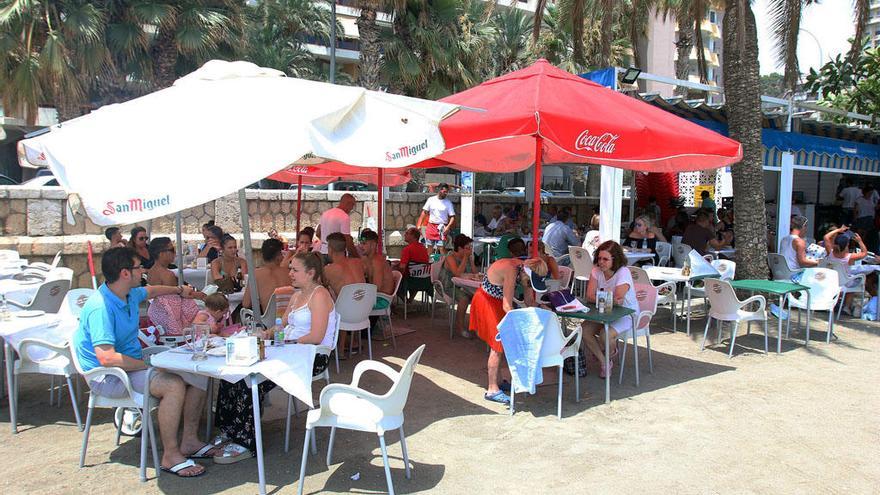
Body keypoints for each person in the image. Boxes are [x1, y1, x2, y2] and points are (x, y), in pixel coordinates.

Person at [73, 247, 215, 477]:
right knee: (173, 384)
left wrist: (180, 290)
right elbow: (106, 357)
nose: (144, 271)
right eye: (139, 267)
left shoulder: (128, 293)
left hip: (132, 364)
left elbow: (152, 291)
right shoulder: (101, 307)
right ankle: (170, 455)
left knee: (197, 373)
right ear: (125, 273)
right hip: (108, 375)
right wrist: (149, 365)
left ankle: (189, 441)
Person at [469, 237, 547, 404]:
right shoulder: (512, 270)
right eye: (529, 281)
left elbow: (529, 301)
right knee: (497, 345)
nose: (528, 283)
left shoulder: (525, 269)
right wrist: (518, 326)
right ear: (527, 272)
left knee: (503, 343)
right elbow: (507, 306)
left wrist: (541, 309)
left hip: (497, 302)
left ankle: (500, 380)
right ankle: (491, 389)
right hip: (486, 302)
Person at [579, 241, 639, 378]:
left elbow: (618, 299)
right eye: (599, 258)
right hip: (604, 312)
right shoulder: (596, 271)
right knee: (584, 330)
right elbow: (589, 296)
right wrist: (607, 299)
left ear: (615, 259)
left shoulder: (623, 272)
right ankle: (605, 361)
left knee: (604, 334)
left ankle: (607, 352)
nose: (601, 262)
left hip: (626, 314)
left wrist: (600, 297)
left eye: (605, 259)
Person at [146, 237, 202, 336]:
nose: (175, 253)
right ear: (161, 253)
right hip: (170, 319)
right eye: (172, 250)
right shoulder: (167, 275)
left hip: (156, 317)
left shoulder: (151, 271)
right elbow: (174, 302)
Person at [440, 234, 480, 338]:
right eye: (467, 248)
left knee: (479, 297)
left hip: (463, 285)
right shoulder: (450, 257)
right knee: (464, 299)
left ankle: (478, 327)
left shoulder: (467, 257)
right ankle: (460, 327)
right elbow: (457, 274)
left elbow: (475, 273)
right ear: (459, 248)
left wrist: (471, 260)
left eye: (470, 247)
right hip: (448, 285)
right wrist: (466, 258)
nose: (469, 250)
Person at [242, 238, 292, 314]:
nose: (283, 256)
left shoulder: (256, 274)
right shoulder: (289, 273)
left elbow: (246, 304)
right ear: (278, 255)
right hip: (290, 320)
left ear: (262, 255)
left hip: (268, 322)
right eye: (282, 253)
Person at [322, 232, 366, 299]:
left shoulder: (328, 270)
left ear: (330, 249)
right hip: (366, 307)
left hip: (345, 308)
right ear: (344, 248)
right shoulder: (359, 262)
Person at [417, 182, 456, 254]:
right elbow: (424, 212)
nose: (445, 193)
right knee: (429, 247)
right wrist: (419, 224)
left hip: (442, 227)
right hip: (431, 226)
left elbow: (452, 217)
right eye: (444, 191)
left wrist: (448, 227)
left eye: (447, 192)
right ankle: (428, 263)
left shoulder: (448, 203)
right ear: (439, 190)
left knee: (441, 248)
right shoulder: (431, 200)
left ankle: (443, 263)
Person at [397, 227, 430, 301]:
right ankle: (410, 299)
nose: (404, 234)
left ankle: (404, 300)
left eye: (407, 233)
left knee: (395, 278)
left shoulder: (407, 249)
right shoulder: (423, 248)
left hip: (410, 281)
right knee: (415, 273)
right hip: (424, 281)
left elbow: (402, 267)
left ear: (413, 236)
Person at [360, 230, 395, 295]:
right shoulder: (365, 259)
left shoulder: (377, 262)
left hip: (382, 298)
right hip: (375, 296)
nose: (360, 246)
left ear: (373, 245)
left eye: (364, 243)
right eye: (360, 243)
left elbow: (377, 288)